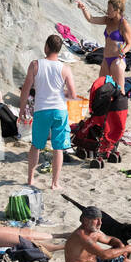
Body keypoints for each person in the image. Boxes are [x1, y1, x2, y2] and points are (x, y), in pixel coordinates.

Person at [17, 34, 76, 190]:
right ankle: (55, 183)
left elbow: (26, 89)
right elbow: (73, 95)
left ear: (46, 47)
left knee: (36, 145)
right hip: (60, 111)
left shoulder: (35, 65)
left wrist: (22, 109)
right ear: (59, 49)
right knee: (58, 148)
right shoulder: (65, 68)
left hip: (42, 110)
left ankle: (30, 179)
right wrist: (59, 93)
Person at [76, 0, 131, 89]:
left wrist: (122, 52)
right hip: (106, 59)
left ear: (117, 10)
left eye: (109, 9)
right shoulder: (107, 20)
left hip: (117, 60)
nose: (107, 11)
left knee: (119, 90)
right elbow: (91, 19)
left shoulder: (124, 24)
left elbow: (129, 43)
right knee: (102, 88)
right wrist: (83, 9)